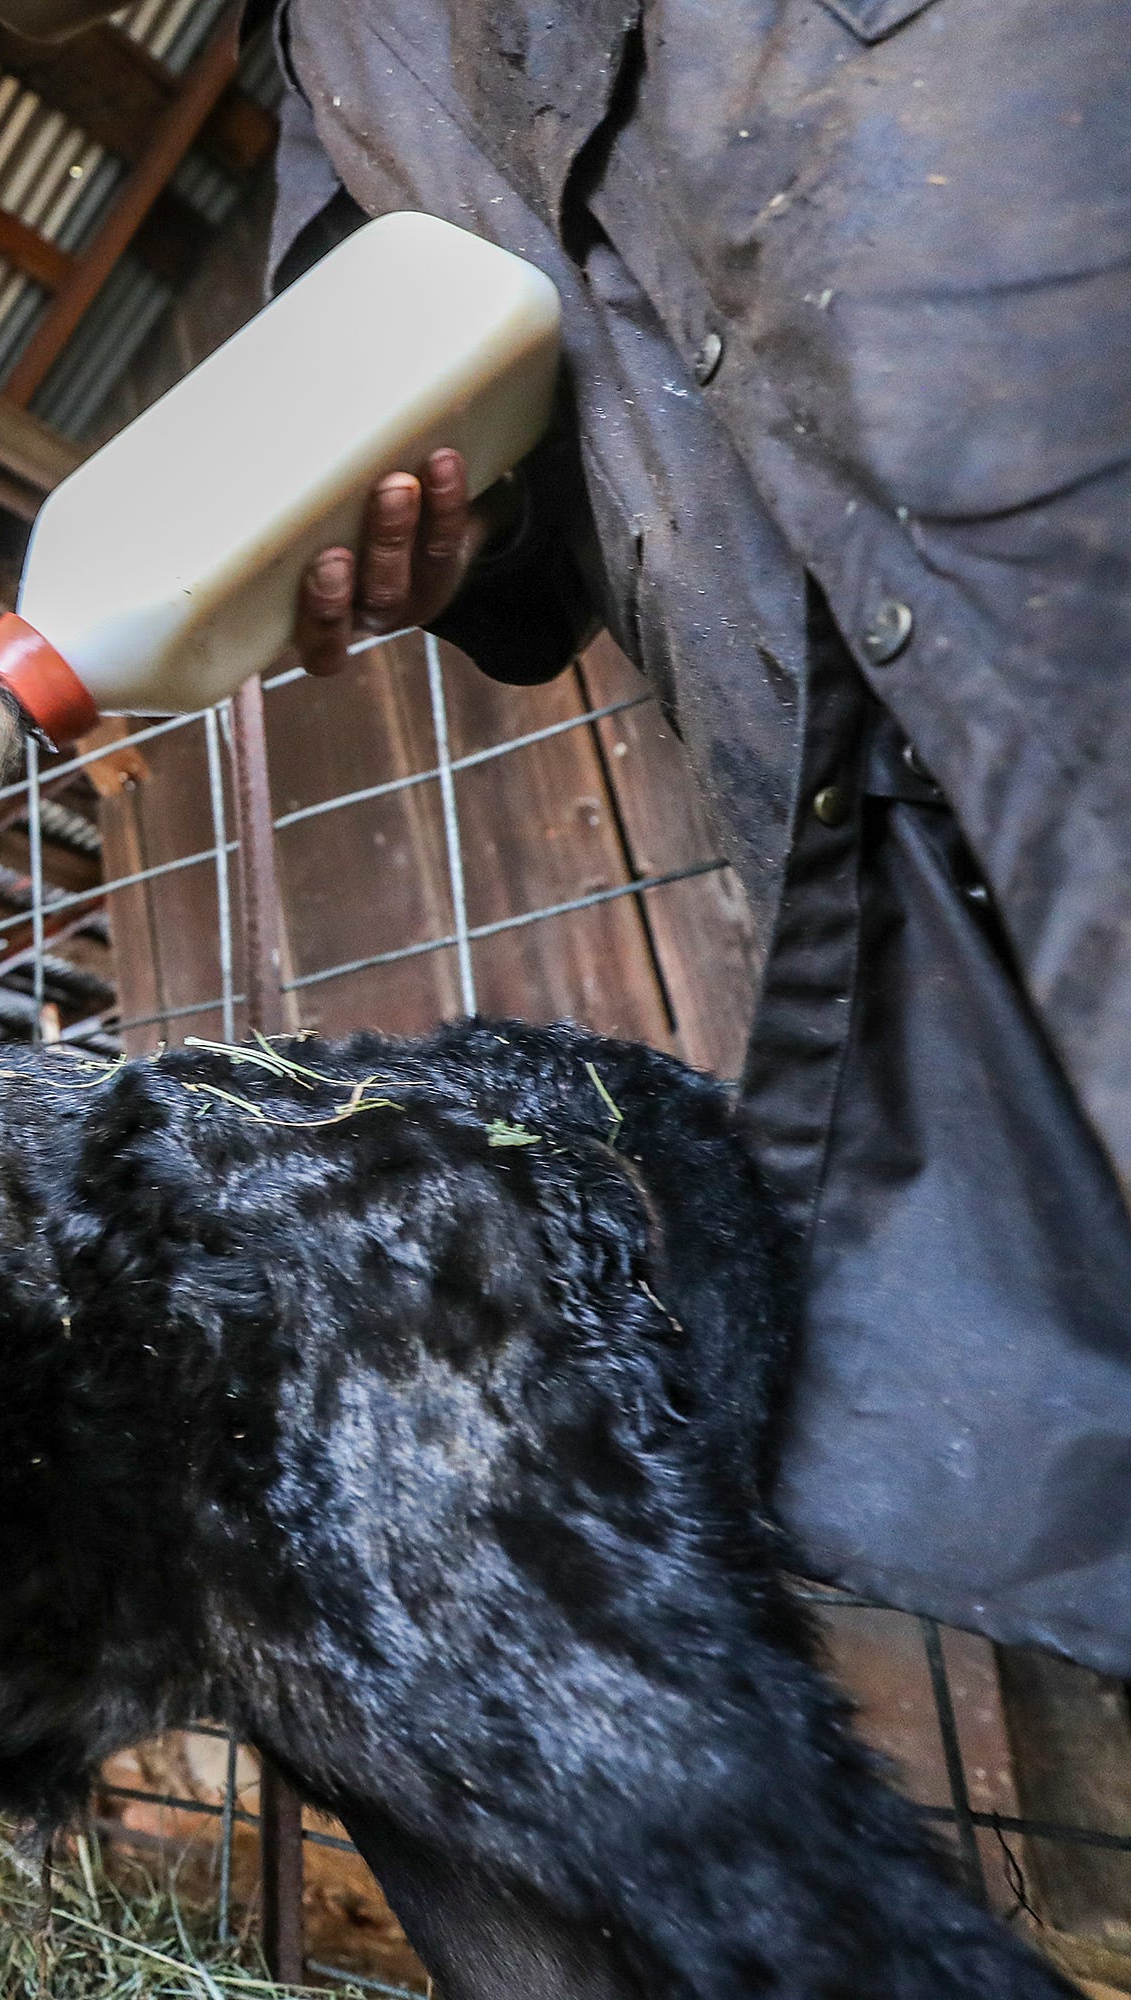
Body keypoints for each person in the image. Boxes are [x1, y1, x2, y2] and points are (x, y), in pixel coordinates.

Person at [265, 0, 1131, 1695]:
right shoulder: (311, 52)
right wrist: (436, 533)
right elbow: (450, 475)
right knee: (1057, 1356)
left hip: (1059, 479)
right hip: (840, 761)